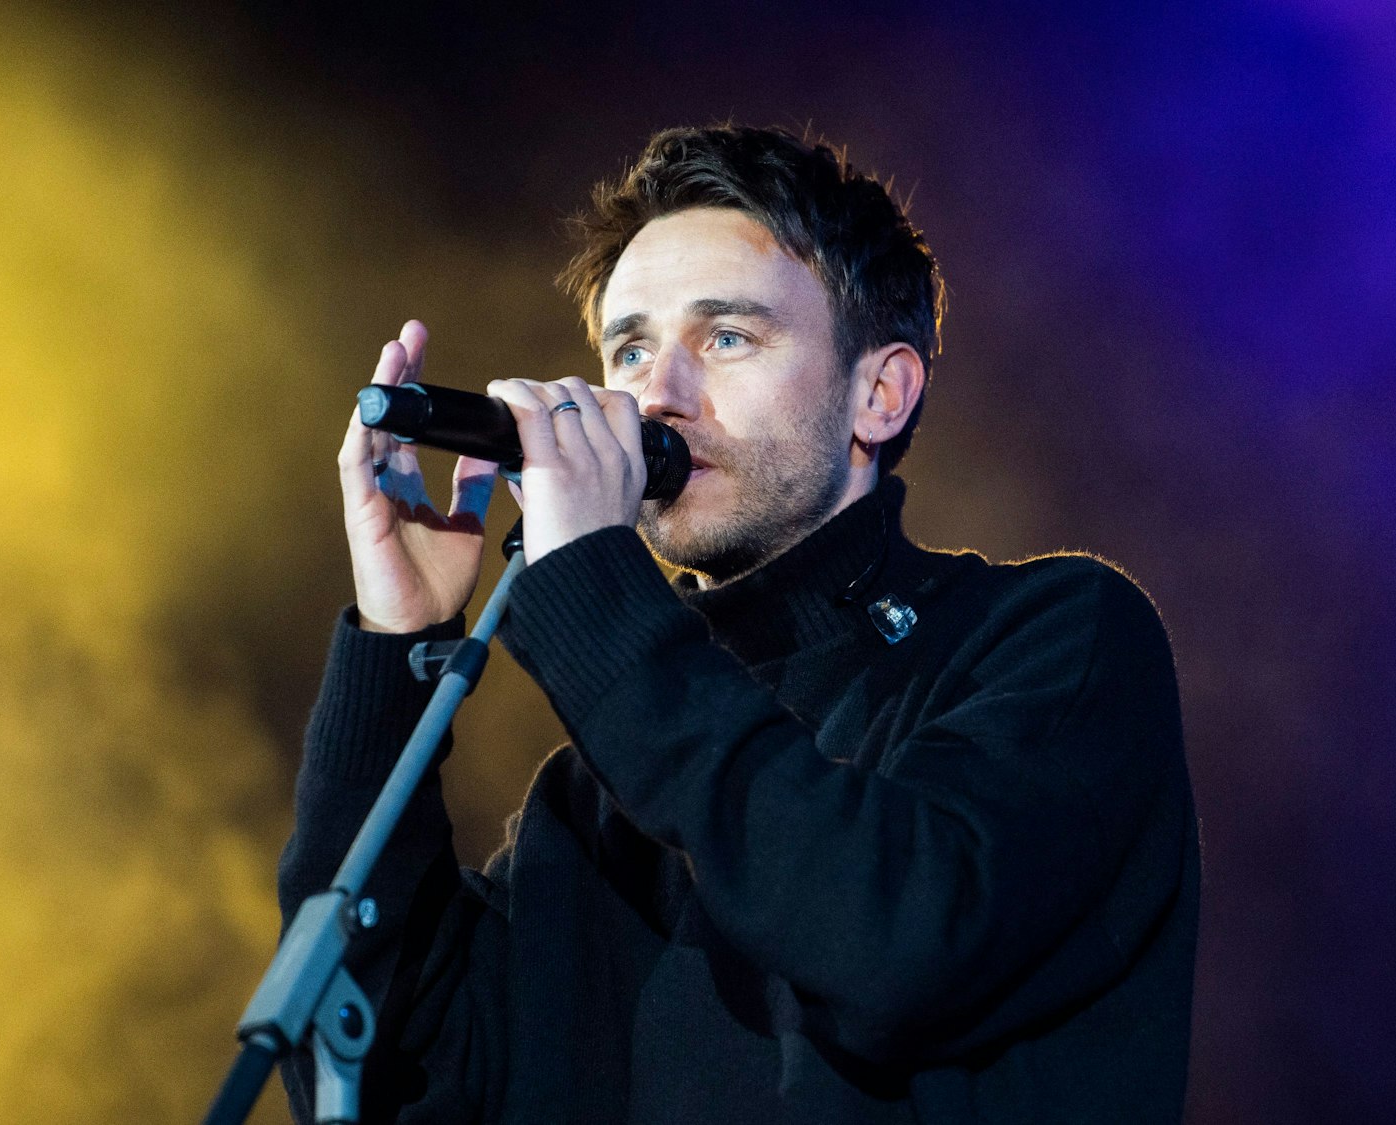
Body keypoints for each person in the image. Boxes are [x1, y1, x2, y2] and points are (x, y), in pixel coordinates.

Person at [277, 124, 1199, 1124]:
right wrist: (393, 649)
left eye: (725, 338)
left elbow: (898, 945)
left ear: (877, 394)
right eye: (628, 348)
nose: (656, 395)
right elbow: (379, 1075)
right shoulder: (595, 799)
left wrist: (594, 592)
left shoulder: (1047, 638)